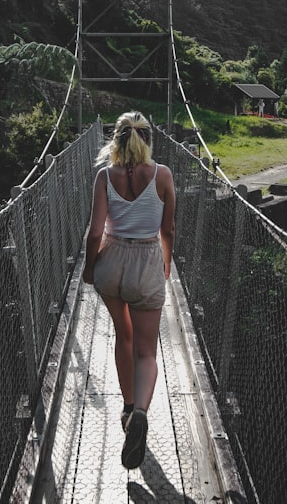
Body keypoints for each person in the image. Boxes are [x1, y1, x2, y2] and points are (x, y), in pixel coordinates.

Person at [83, 111, 176, 470]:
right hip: (146, 260)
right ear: (148, 139)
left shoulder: (105, 176)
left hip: (112, 263)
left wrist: (90, 267)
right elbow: (168, 230)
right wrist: (166, 263)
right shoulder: (163, 175)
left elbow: (95, 232)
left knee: (123, 336)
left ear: (116, 140)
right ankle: (140, 412)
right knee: (146, 352)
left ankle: (126, 408)